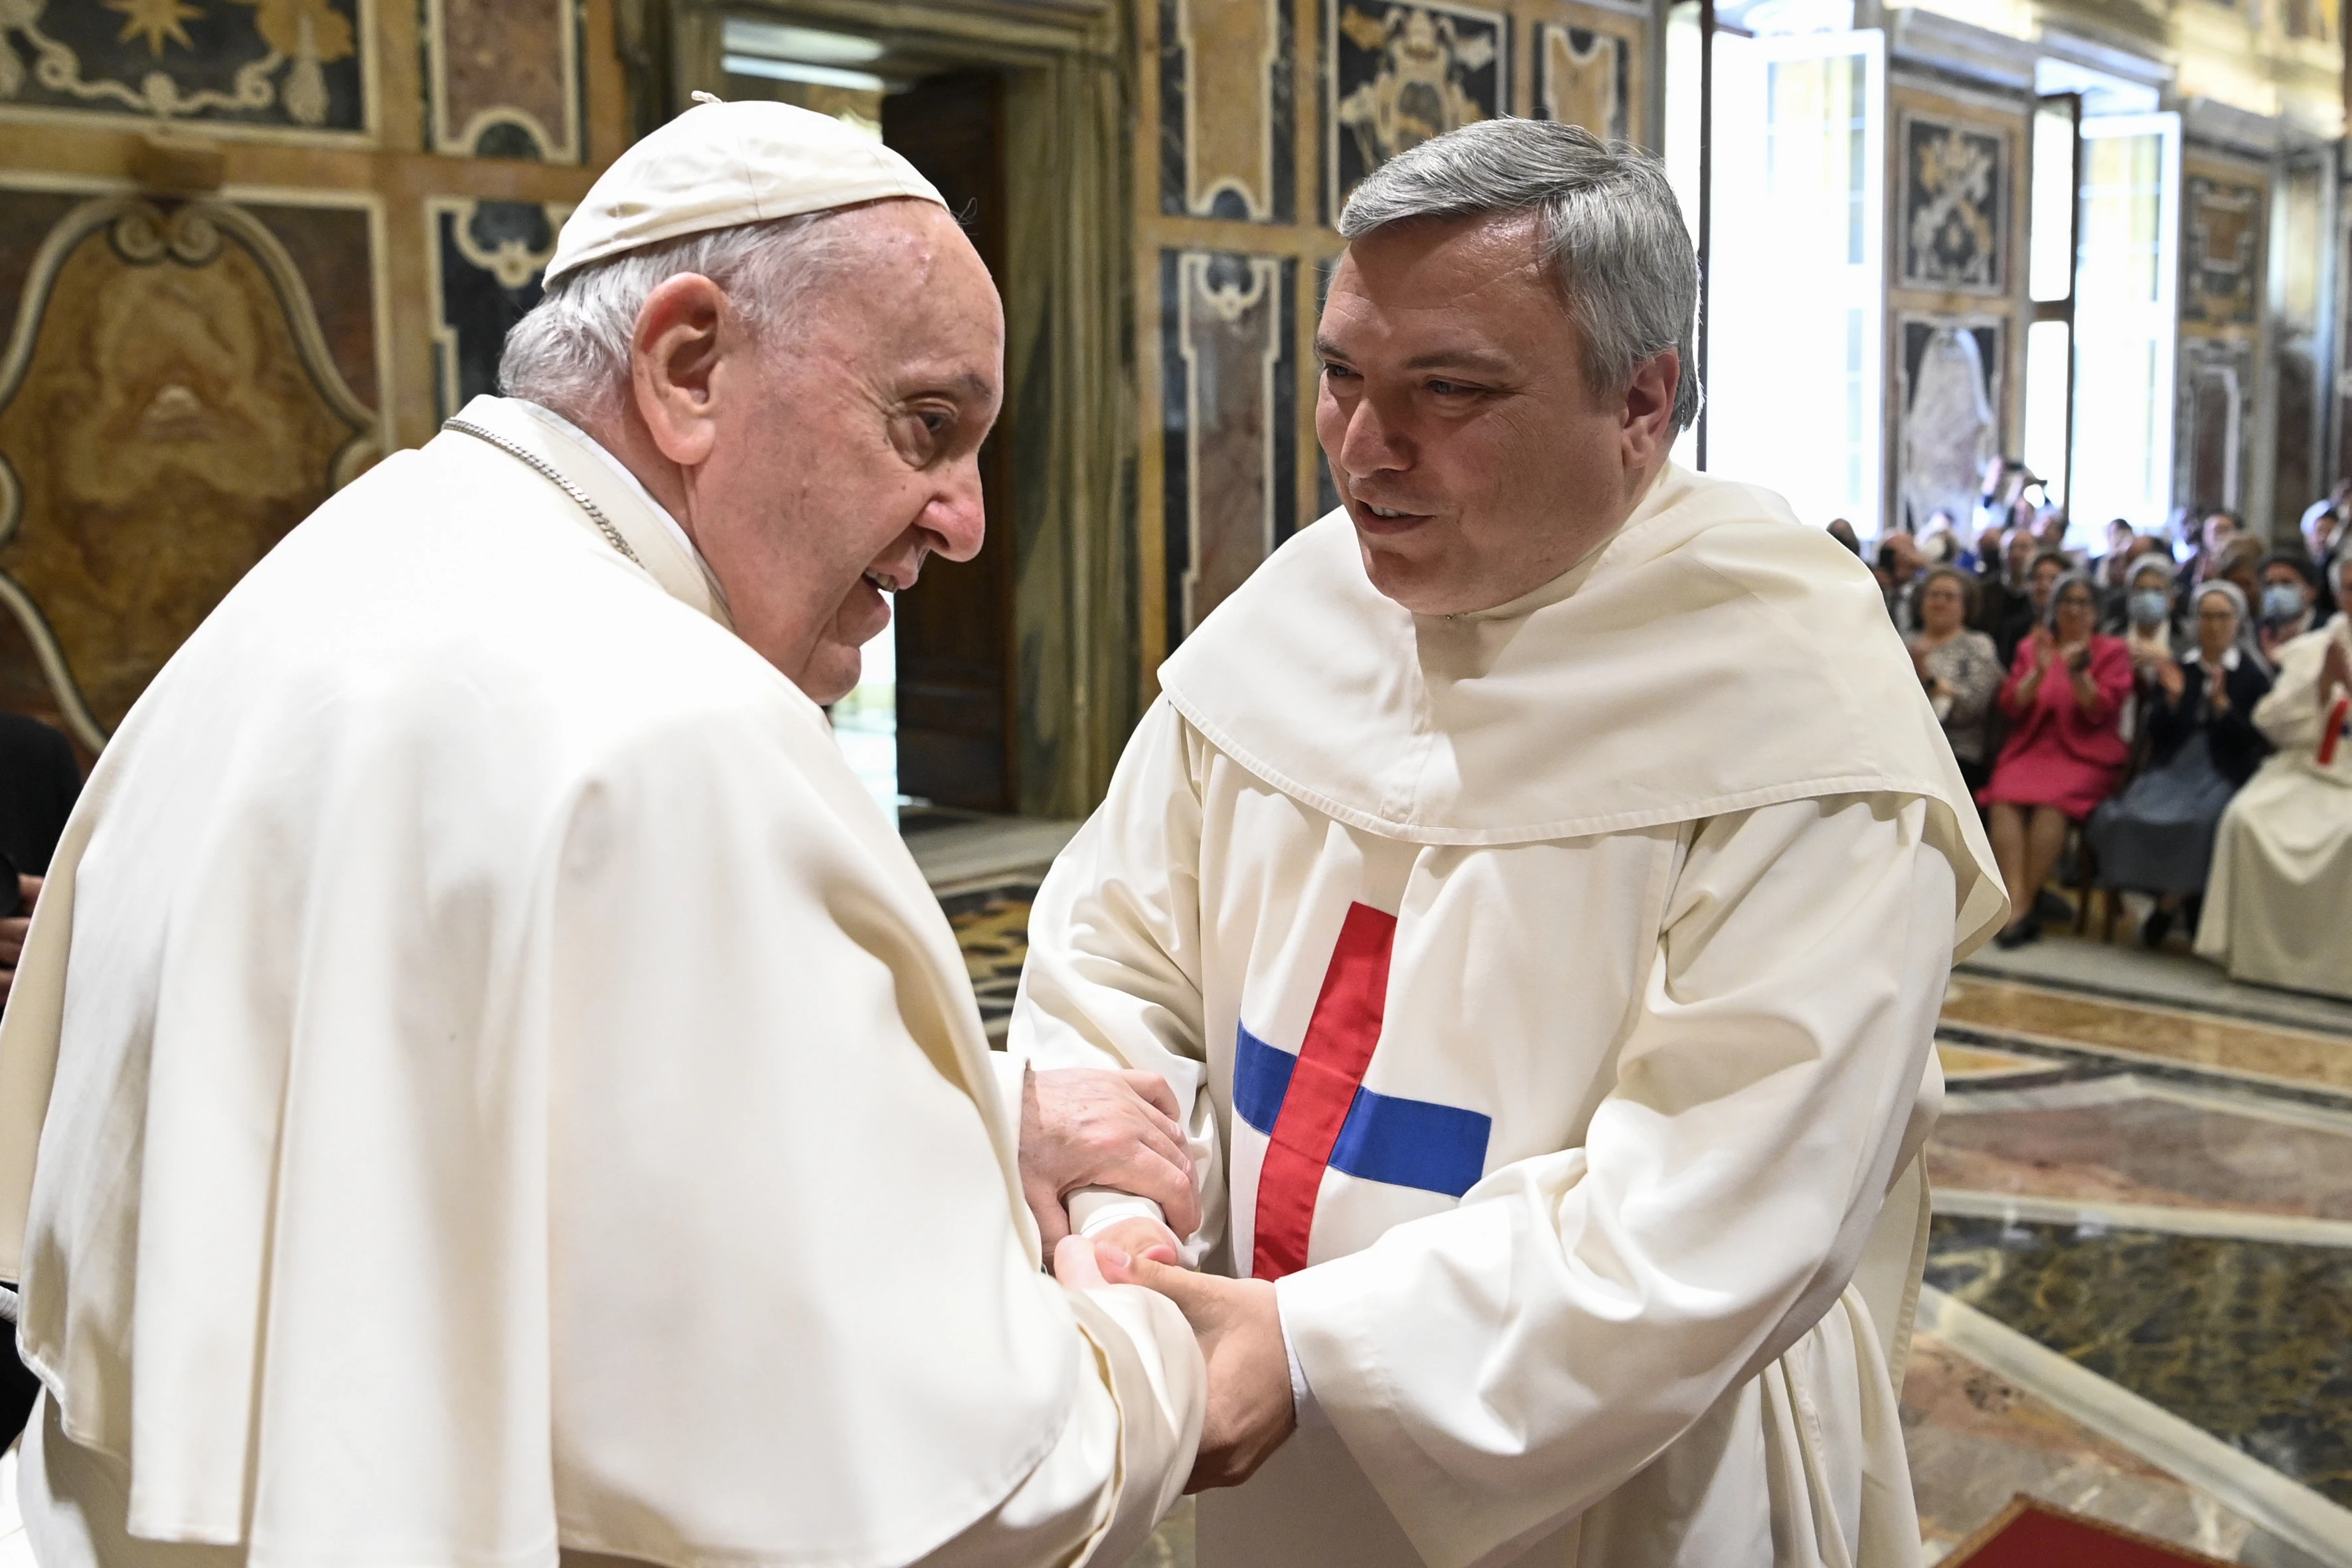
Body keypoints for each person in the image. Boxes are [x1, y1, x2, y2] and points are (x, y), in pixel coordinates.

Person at [0, 101, 1206, 1567]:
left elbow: (425, 1054)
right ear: (688, 365)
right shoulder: (676, 727)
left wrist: (984, 1110)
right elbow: (952, 1489)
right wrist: (1154, 1344)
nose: (960, 519)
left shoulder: (360, 550)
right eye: (927, 426)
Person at [1010, 120, 2004, 1568]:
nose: (1364, 446)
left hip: (1615, 1471)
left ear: (1642, 403)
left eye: (1449, 390)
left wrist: (1310, 1348)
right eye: (1340, 376)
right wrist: (1126, 1218)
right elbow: (1111, 955)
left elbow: (1721, 1203)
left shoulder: (1795, 704)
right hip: (1221, 1381)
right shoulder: (1293, 617)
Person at [2196, 554, 2352, 998]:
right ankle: (2257, 960)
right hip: (2304, 765)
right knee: (2246, 818)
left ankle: (2336, 970)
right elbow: (2270, 721)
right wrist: (2321, 687)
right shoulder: (2314, 646)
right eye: (2347, 588)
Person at [2086, 582, 2272, 948]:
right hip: (2174, 767)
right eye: (2206, 616)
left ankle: (2170, 902)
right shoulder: (2180, 668)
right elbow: (2159, 734)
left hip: (2221, 771)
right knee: (2122, 815)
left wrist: (2221, 706)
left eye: (2222, 616)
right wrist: (2172, 702)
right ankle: (2142, 900)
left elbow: (2252, 741)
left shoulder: (2252, 675)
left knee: (2204, 822)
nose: (2213, 625)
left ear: (2237, 622)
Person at [1980, 572, 2134, 947]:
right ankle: (2016, 903)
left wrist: (2078, 673)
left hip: (2085, 754)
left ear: (2096, 612)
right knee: (2004, 798)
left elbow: (2101, 709)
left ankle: (2021, 906)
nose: (2075, 611)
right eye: (2067, 602)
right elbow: (2011, 705)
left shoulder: (2111, 651)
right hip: (2031, 748)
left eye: (2083, 603)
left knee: (2052, 805)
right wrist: (2040, 672)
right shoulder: (2033, 647)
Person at [1909, 566, 2002, 793]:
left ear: (1966, 606)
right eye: (1933, 595)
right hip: (1901, 743)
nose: (1940, 602)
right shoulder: (1902, 641)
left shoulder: (1978, 645)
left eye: (1949, 597)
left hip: (1955, 751)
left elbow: (1971, 708)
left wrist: (1929, 678)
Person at [2257, 551, 2321, 658]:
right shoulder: (2258, 633)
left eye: (2286, 583)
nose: (2277, 590)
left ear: (2311, 590)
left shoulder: (2330, 628)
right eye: (2269, 584)